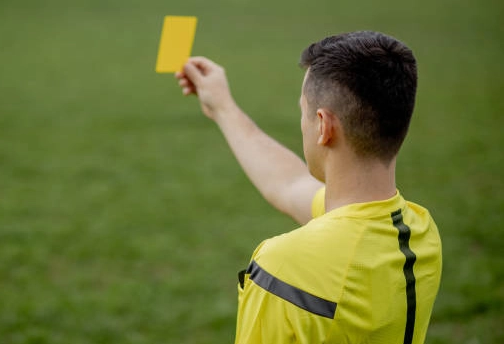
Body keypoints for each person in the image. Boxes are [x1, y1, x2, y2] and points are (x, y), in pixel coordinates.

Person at [174, 31, 442, 344]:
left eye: (302, 111)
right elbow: (290, 183)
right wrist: (223, 107)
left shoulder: (285, 268)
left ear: (323, 126)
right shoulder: (420, 233)